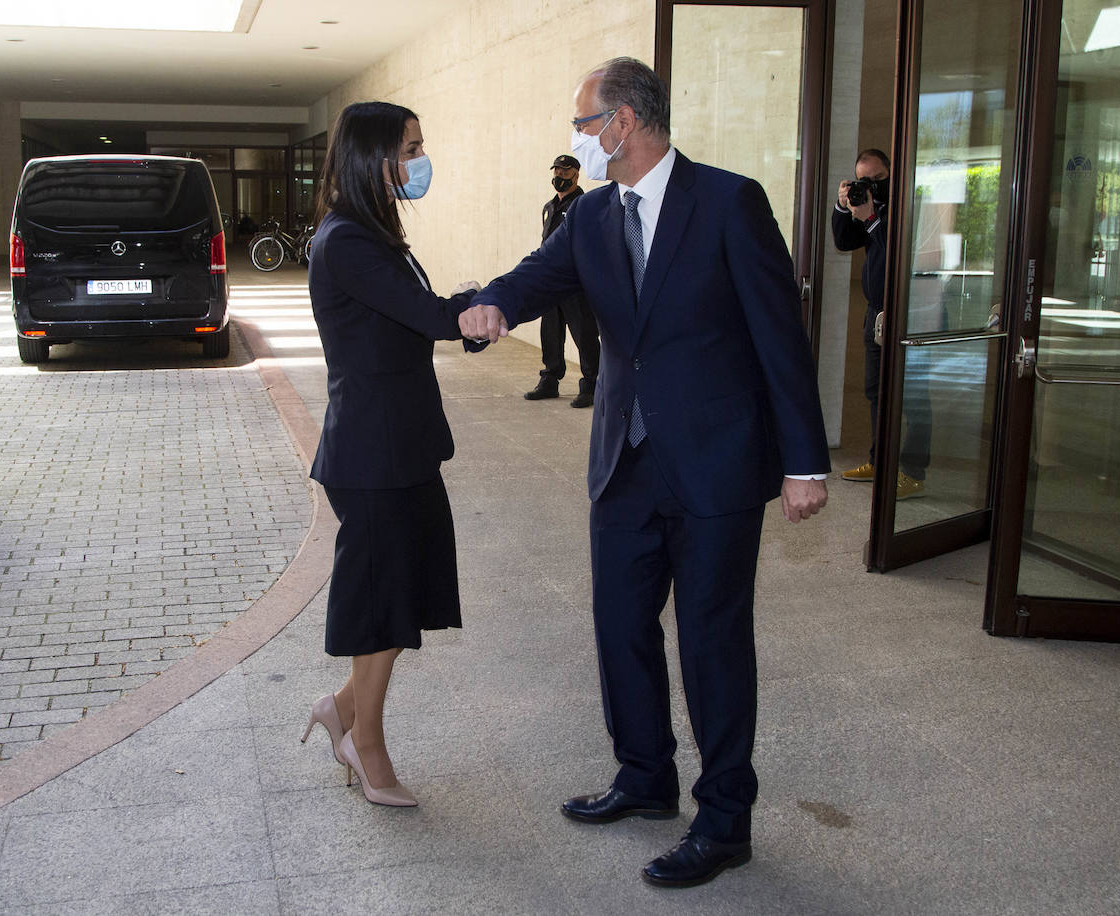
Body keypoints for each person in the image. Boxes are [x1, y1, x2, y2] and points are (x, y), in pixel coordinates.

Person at [459, 58, 830, 888]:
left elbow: (781, 339)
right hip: (623, 465)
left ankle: (725, 818)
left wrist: (805, 461)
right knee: (620, 628)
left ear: (625, 122)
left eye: (585, 124)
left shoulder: (730, 201)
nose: (580, 140)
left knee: (711, 643)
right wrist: (490, 302)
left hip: (715, 470)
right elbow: (534, 276)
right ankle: (644, 778)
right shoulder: (592, 218)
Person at [298, 101, 480, 808]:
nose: (420, 159)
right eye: (411, 147)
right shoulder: (346, 240)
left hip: (402, 446)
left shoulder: (373, 232)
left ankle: (341, 709)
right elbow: (431, 316)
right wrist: (501, 300)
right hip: (371, 455)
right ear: (374, 156)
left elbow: (417, 315)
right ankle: (363, 744)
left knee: (401, 602)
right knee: (381, 611)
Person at [831, 149, 929, 499]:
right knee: (876, 391)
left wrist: (871, 217)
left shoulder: (907, 205)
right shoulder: (873, 209)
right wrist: (844, 208)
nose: (870, 186)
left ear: (892, 174)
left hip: (912, 309)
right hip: (876, 313)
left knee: (914, 397)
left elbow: (898, 255)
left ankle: (913, 473)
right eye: (862, 181)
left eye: (877, 179)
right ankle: (879, 461)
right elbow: (844, 242)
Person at [524, 154, 601, 408]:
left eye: (565, 172)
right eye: (556, 171)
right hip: (549, 282)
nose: (559, 176)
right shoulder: (549, 207)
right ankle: (550, 379)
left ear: (576, 175)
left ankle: (591, 383)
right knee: (550, 332)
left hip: (574, 282)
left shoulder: (585, 205)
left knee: (584, 333)